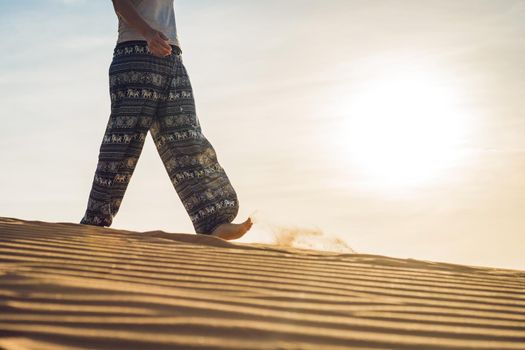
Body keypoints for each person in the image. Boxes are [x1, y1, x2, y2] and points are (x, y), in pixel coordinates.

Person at [80, 0, 252, 240]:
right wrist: (148, 33)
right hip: (136, 52)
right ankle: (93, 223)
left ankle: (213, 221)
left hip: (172, 56)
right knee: (123, 142)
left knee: (186, 135)